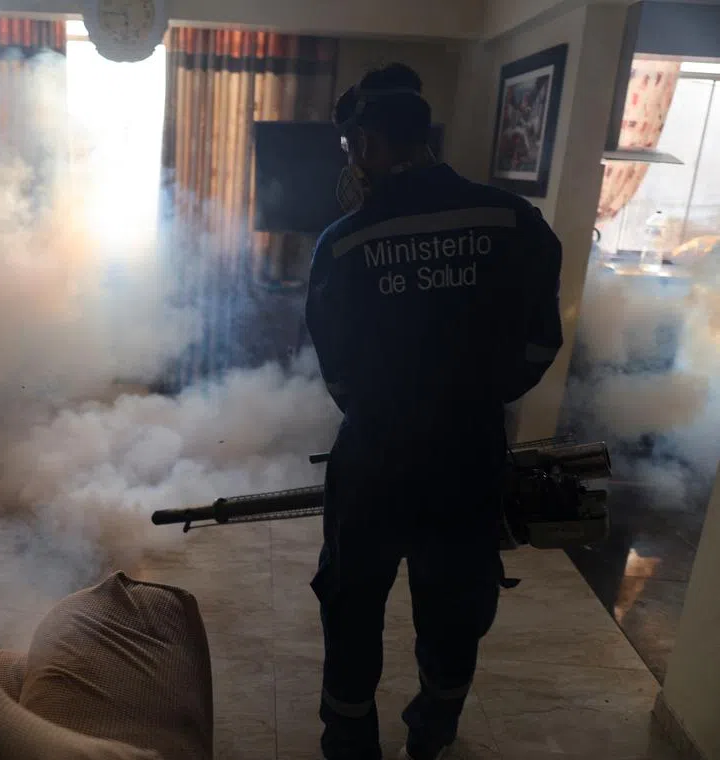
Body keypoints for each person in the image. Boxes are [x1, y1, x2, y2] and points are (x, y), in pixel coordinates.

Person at [304, 63, 563, 760]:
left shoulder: (344, 242)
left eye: (352, 148)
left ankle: (350, 742)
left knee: (352, 604)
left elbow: (336, 368)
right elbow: (542, 341)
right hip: (467, 456)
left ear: (367, 143)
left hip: (374, 461)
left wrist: (386, 412)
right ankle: (431, 737)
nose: (352, 161)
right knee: (454, 607)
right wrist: (477, 399)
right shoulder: (513, 220)